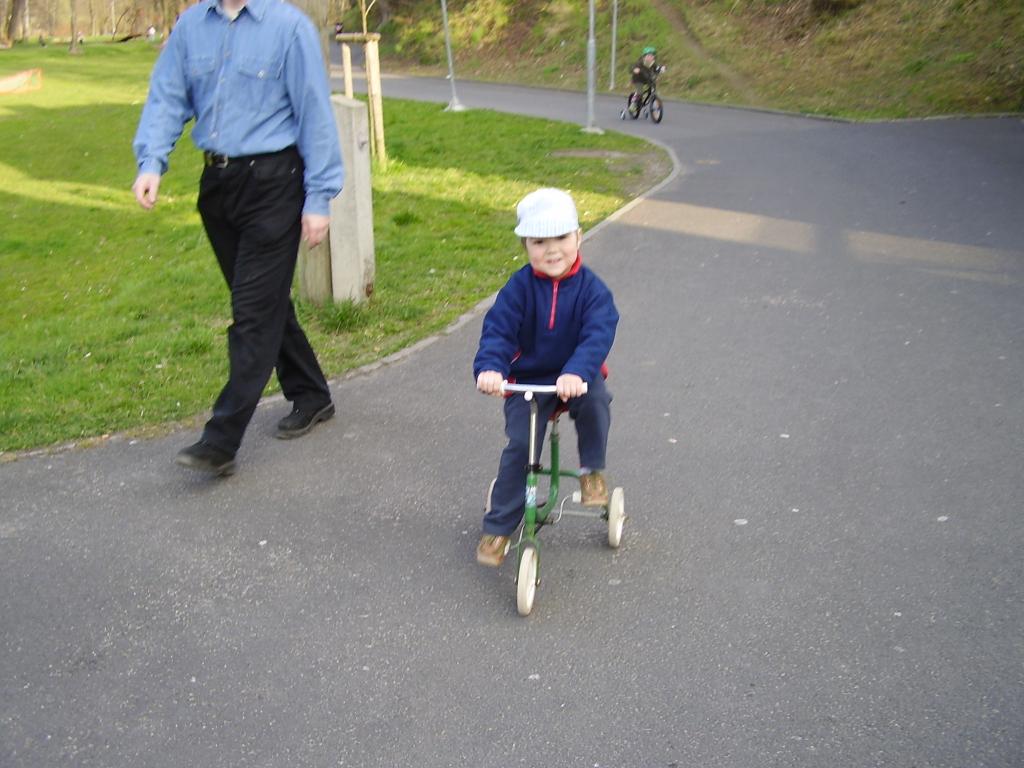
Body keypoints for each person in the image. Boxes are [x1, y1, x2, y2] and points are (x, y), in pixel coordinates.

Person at [132, 0, 344, 477]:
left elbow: (314, 113)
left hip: (275, 183)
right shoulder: (191, 26)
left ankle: (221, 440)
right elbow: (168, 95)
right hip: (218, 187)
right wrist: (151, 162)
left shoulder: (289, 28)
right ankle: (311, 393)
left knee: (252, 313)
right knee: (264, 303)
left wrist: (319, 198)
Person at [473, 188, 619, 567]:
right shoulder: (518, 289)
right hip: (528, 381)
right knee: (521, 447)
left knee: (596, 402)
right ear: (525, 245)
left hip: (576, 376)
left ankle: (591, 470)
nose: (552, 250)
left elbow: (598, 334)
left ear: (579, 237)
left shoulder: (592, 291)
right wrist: (491, 368)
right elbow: (499, 331)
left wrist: (577, 370)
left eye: (561, 238)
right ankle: (499, 526)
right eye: (539, 242)